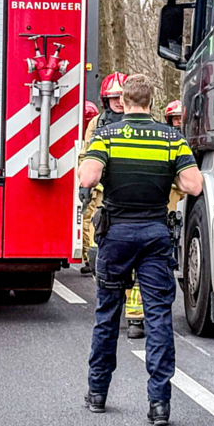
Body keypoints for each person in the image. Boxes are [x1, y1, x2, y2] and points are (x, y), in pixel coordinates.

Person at [79, 74, 203, 426]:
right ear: (151, 101)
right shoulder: (171, 138)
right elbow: (194, 185)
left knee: (107, 315)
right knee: (158, 317)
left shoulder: (107, 135)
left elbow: (87, 178)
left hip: (116, 233)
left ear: (124, 101)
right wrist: (169, 175)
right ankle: (159, 404)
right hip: (154, 234)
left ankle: (98, 393)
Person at [79, 74, 127, 276]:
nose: (119, 102)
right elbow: (86, 154)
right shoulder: (97, 123)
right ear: (106, 100)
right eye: (114, 98)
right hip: (100, 191)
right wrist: (85, 184)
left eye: (122, 97)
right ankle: (95, 264)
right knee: (94, 225)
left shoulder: (140, 122)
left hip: (129, 189)